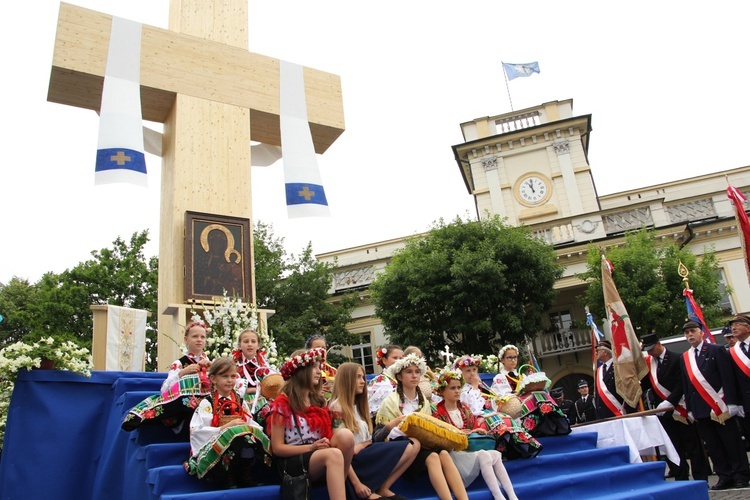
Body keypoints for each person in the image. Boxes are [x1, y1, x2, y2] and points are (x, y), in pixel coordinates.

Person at [376, 354, 469, 500]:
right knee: (432, 456)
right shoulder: (390, 401)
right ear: (399, 377)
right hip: (402, 451)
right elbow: (379, 436)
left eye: (417, 372)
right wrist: (400, 426)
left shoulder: (424, 401)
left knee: (444, 453)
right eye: (409, 372)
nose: (414, 375)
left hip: (423, 446)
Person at [268, 347, 354, 500]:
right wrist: (311, 447)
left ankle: (338, 482)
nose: (319, 372)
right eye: (313, 367)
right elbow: (277, 448)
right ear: (301, 371)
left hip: (318, 454)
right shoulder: (282, 403)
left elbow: (328, 434)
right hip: (294, 460)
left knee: (346, 436)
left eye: (318, 367)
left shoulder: (318, 401)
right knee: (333, 454)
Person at [329, 362, 417, 500]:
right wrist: (357, 484)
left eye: (363, 377)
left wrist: (361, 445)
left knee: (411, 446)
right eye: (358, 377)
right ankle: (367, 487)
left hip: (365, 454)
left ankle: (382, 486)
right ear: (347, 379)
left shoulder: (359, 406)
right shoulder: (337, 407)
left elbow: (368, 440)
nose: (363, 382)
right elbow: (341, 453)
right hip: (353, 465)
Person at [679, 320, 750, 490]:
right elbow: (686, 384)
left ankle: (741, 474)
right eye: (687, 333)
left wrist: (732, 402)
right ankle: (724, 475)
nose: (690, 335)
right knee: (713, 446)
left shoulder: (716, 350)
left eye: (693, 331)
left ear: (701, 332)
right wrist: (689, 408)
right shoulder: (685, 357)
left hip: (721, 406)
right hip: (701, 408)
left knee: (731, 443)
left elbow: (728, 378)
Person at [183, 357, 270, 487]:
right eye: (225, 376)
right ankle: (225, 476)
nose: (230, 380)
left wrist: (247, 428)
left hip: (240, 439)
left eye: (233, 376)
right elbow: (198, 430)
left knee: (249, 437)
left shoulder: (240, 401)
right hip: (218, 440)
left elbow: (250, 421)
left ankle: (244, 474)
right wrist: (226, 428)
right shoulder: (208, 403)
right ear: (213, 379)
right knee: (233, 438)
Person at [432, 369, 518, 500]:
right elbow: (440, 437)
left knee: (496, 454)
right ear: (442, 391)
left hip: (469, 448)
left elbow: (472, 426)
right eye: (452, 388)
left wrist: (477, 430)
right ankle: (498, 496)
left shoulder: (464, 408)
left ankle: (512, 496)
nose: (457, 391)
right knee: (484, 455)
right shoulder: (438, 413)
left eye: (458, 387)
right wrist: (459, 434)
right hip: (454, 454)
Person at [640, 332, 708, 481]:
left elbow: (681, 384)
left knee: (693, 446)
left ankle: (700, 477)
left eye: (652, 348)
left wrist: (670, 401)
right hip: (664, 413)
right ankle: (680, 476)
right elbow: (646, 385)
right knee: (674, 447)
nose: (650, 352)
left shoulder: (677, 358)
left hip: (680, 408)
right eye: (648, 350)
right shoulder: (649, 363)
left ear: (659, 344)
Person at [121, 320, 212, 432]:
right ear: (186, 340)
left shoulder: (211, 363)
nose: (199, 339)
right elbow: (165, 389)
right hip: (186, 411)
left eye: (202, 337)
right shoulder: (179, 364)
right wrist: (182, 372)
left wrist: (213, 370)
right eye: (195, 336)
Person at [492, 344, 569, 437]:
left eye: (515, 357)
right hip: (512, 406)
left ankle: (552, 423)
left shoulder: (522, 376)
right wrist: (518, 394)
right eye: (509, 357)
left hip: (525, 401)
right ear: (502, 360)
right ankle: (537, 428)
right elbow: (501, 398)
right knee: (534, 397)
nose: (513, 360)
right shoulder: (499, 378)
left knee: (541, 394)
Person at [593, 340, 635, 420]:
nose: (596, 353)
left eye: (597, 351)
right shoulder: (599, 370)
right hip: (604, 415)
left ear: (605, 352)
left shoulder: (619, 367)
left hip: (618, 412)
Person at [727, 314, 750, 451]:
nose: (733, 328)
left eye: (737, 324)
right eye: (732, 326)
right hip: (746, 403)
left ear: (748, 328)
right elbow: (731, 380)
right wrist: (736, 402)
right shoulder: (732, 351)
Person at [368, 345, 404, 418]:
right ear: (384, 360)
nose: (399, 361)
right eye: (395, 358)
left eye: (401, 358)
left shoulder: (404, 379)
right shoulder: (378, 381)